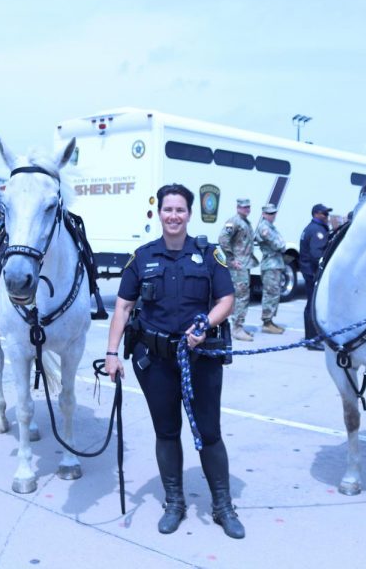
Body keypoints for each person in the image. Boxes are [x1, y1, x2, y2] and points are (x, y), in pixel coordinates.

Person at [104, 183, 245, 539]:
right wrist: (111, 353)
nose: (173, 216)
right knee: (166, 432)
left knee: (209, 433)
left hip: (201, 359)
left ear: (189, 214)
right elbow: (123, 305)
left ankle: (223, 506)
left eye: (180, 210)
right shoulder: (143, 257)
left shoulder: (208, 255)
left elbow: (226, 299)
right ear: (159, 213)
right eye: (168, 209)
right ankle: (175, 503)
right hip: (156, 362)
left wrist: (206, 323)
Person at [218, 198, 255, 341]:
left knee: (242, 296)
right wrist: (232, 258)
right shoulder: (234, 221)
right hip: (238, 266)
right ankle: (237, 329)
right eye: (244, 207)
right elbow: (223, 238)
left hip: (244, 264)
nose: (246, 209)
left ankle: (238, 326)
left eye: (248, 207)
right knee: (241, 297)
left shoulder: (245, 222)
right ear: (238, 207)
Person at [299, 203, 331, 349]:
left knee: (311, 305)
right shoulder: (317, 230)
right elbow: (316, 254)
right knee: (313, 306)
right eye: (324, 214)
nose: (327, 216)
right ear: (316, 214)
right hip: (313, 272)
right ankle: (312, 340)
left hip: (309, 271)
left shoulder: (312, 228)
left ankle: (311, 337)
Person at [255, 203, 287, 334]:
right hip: (270, 265)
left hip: (275, 264)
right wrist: (282, 244)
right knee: (270, 294)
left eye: (273, 213)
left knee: (274, 293)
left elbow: (281, 244)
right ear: (263, 214)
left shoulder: (271, 227)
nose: (272, 215)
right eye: (269, 213)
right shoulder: (264, 228)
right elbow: (279, 244)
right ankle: (267, 323)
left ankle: (270, 321)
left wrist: (282, 244)